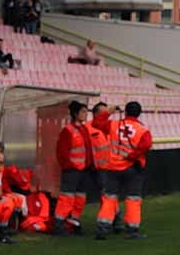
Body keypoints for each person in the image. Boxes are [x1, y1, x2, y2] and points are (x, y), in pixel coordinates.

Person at [93, 102, 152, 240]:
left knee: (109, 198)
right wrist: (131, 156)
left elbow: (96, 123)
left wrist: (109, 111)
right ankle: (132, 231)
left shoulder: (113, 124)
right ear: (139, 113)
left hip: (113, 167)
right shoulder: (143, 130)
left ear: (125, 112)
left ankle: (102, 228)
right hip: (132, 168)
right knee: (133, 199)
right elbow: (147, 144)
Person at [53, 101, 108, 237]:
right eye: (83, 112)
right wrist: (70, 167)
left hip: (83, 170)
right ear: (76, 114)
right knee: (67, 198)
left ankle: (74, 223)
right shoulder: (68, 131)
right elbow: (62, 153)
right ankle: (59, 225)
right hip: (73, 171)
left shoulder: (83, 129)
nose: (85, 114)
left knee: (80, 199)